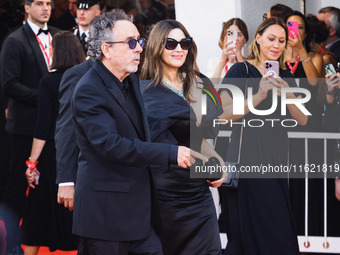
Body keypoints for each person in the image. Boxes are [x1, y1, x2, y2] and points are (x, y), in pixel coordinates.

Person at [71, 10, 204, 254]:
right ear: (107, 49)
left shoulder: (131, 80)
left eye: (139, 41)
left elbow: (144, 133)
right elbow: (111, 145)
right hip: (106, 218)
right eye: (131, 43)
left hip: (140, 216)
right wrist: (170, 153)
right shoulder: (87, 89)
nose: (140, 49)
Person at [219, 17, 307, 255]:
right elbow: (224, 113)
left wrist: (287, 92)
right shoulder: (241, 70)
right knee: (253, 235)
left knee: (280, 233)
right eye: (271, 39)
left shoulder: (285, 76)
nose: (276, 45)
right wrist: (257, 96)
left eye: (281, 40)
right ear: (257, 39)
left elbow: (303, 119)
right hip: (248, 160)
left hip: (277, 162)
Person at [140, 19, 224, 255]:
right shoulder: (144, 91)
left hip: (198, 192)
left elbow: (199, 138)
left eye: (184, 43)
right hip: (165, 195)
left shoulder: (201, 84)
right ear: (157, 46)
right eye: (171, 43)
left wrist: (218, 160)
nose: (179, 49)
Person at [0, 0, 59, 253]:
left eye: (48, 3)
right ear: (26, 7)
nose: (45, 7)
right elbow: (9, 84)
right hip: (24, 128)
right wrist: (45, 97)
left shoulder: (59, 36)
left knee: (49, 186)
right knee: (17, 188)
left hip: (53, 128)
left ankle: (50, 238)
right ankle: (13, 245)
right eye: (39, 3)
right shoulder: (14, 41)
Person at [23, 31, 85, 255]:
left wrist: (31, 163)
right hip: (84, 155)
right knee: (83, 221)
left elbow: (43, 128)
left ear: (57, 52)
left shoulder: (49, 82)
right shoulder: (87, 78)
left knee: (36, 218)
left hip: (53, 156)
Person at [55, 57, 94, 212]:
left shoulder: (132, 76)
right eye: (130, 42)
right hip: (89, 179)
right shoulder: (79, 74)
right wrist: (66, 180)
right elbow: (67, 127)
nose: (138, 47)